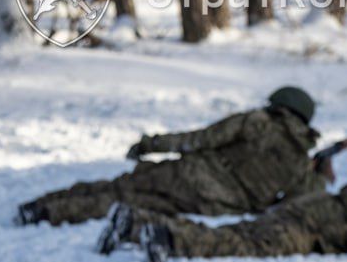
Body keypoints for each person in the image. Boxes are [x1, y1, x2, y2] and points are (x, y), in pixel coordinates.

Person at [96, 151, 347, 262]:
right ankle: (166, 236)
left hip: (312, 212)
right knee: (241, 243)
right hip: (312, 228)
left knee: (239, 232)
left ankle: (137, 223)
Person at [17, 87, 326, 227]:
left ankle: (43, 205)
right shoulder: (301, 163)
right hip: (214, 206)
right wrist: (319, 175)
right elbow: (292, 205)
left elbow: (198, 139)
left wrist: (152, 144)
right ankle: (48, 215)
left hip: (188, 175)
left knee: (120, 187)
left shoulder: (256, 121)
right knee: (131, 202)